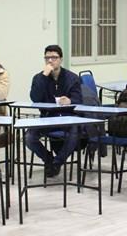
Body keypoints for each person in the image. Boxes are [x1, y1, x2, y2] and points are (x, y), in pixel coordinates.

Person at [24, 45, 83, 178]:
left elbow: (79, 99)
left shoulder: (72, 78)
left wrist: (69, 100)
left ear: (60, 59)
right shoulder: (39, 78)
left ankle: (57, 163)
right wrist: (44, 76)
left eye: (54, 58)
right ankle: (49, 159)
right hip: (47, 118)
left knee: (74, 133)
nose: (50, 61)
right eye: (47, 58)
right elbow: (35, 98)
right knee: (29, 137)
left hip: (68, 118)